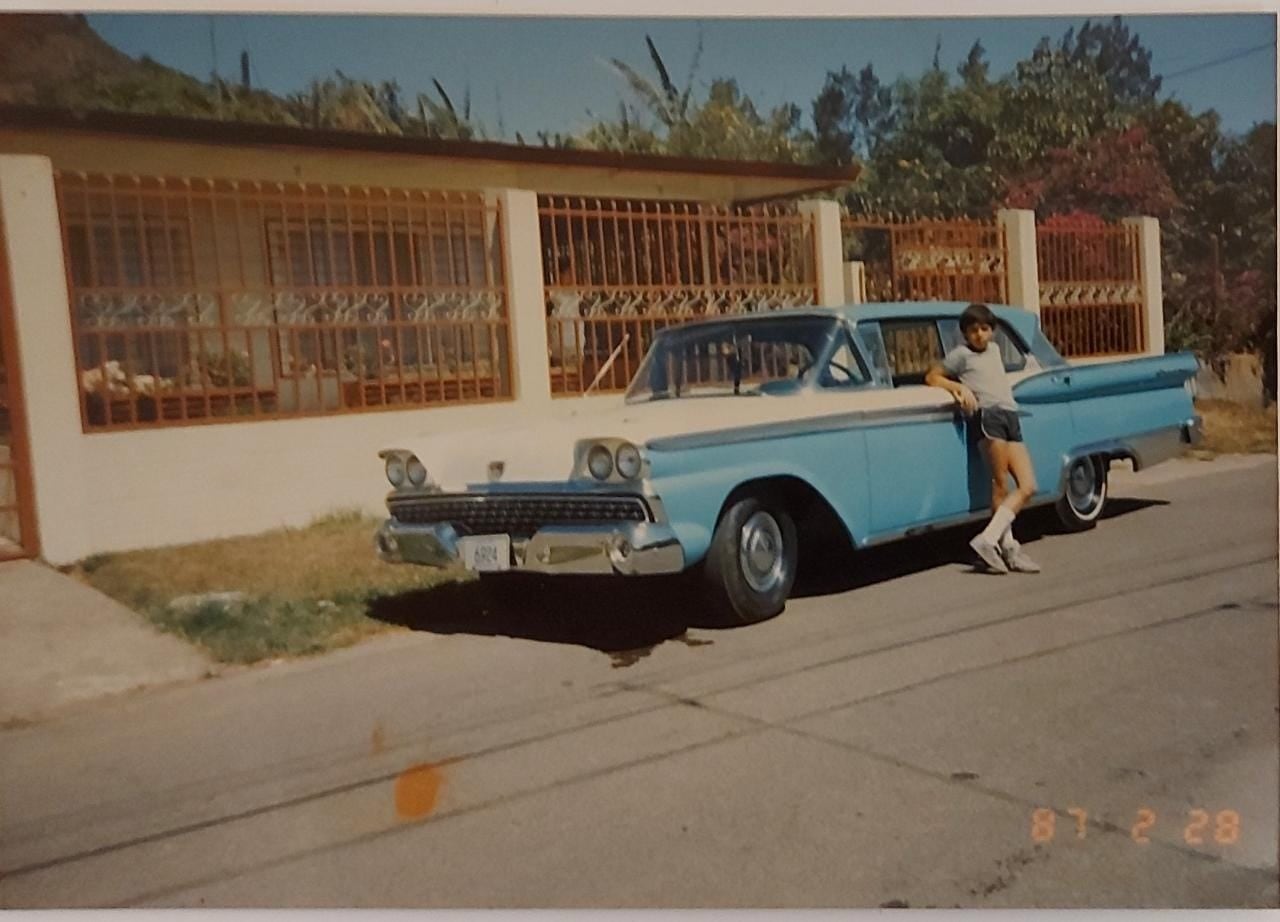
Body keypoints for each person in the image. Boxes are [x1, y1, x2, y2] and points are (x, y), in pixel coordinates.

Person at [925, 303, 1042, 574]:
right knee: (1000, 484)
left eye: (984, 329)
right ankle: (1008, 548)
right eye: (973, 330)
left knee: (1027, 485)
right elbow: (932, 376)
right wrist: (958, 387)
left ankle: (989, 540)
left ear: (993, 331)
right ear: (965, 333)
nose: (979, 334)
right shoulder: (961, 355)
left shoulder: (996, 350)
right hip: (987, 417)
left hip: (1009, 416)